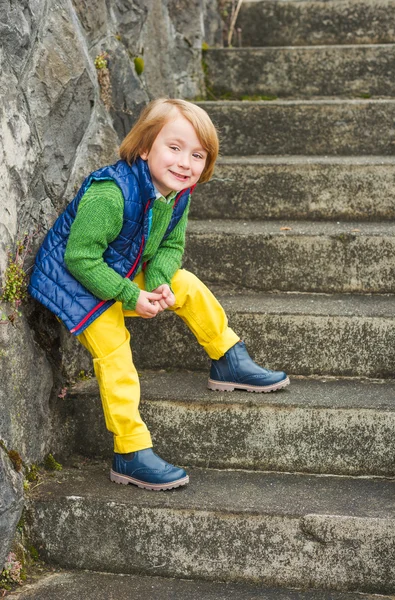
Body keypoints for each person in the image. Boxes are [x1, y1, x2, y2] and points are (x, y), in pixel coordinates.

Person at [28, 99, 289, 492]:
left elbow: (170, 247)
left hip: (120, 272)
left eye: (197, 155)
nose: (186, 163)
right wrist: (129, 296)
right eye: (175, 148)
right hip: (75, 283)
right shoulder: (110, 194)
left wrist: (159, 283)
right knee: (115, 351)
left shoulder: (178, 193)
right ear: (145, 147)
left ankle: (228, 358)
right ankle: (130, 452)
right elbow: (79, 258)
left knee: (188, 285)